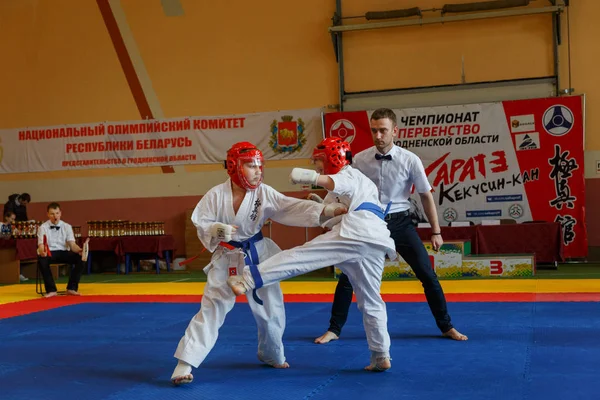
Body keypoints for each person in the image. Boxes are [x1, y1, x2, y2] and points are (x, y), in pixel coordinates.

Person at [170, 142, 345, 385]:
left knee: (271, 310)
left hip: (259, 255)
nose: (258, 171)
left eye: (259, 166)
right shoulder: (215, 195)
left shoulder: (263, 193)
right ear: (234, 167)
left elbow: (290, 206)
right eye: (251, 166)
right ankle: (185, 363)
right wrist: (216, 229)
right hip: (227, 258)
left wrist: (326, 209)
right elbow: (201, 222)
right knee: (211, 310)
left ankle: (271, 354)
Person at [228, 137, 397, 372]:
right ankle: (381, 354)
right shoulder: (344, 188)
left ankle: (247, 279)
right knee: (371, 300)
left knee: (301, 256)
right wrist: (320, 202)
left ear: (333, 158)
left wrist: (310, 177)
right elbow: (333, 208)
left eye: (319, 160)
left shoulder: (349, 174)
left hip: (357, 233)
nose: (316, 165)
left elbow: (332, 182)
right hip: (374, 241)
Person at [314, 108, 467, 345]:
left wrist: (436, 231)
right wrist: (326, 209)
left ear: (395, 131)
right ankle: (334, 329)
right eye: (374, 130)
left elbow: (426, 195)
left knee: (427, 275)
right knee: (348, 276)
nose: (378, 135)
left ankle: (446, 326)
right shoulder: (361, 159)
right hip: (369, 223)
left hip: (401, 222)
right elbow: (342, 187)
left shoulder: (410, 159)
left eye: (383, 130)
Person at [37, 202, 85, 298]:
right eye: (52, 214)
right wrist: (42, 251)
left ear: (60, 213)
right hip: (50, 253)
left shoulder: (67, 226)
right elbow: (41, 244)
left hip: (64, 252)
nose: (55, 216)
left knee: (81, 259)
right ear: (47, 214)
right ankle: (51, 290)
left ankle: (71, 288)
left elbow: (72, 244)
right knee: (42, 260)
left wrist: (79, 250)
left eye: (57, 213)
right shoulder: (42, 227)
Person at [1, 211, 28, 282]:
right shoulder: (2, 225)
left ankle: (19, 272)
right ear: (6, 218)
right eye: (12, 219)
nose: (13, 221)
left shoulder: (13, 226)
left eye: (14, 219)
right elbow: (5, 237)